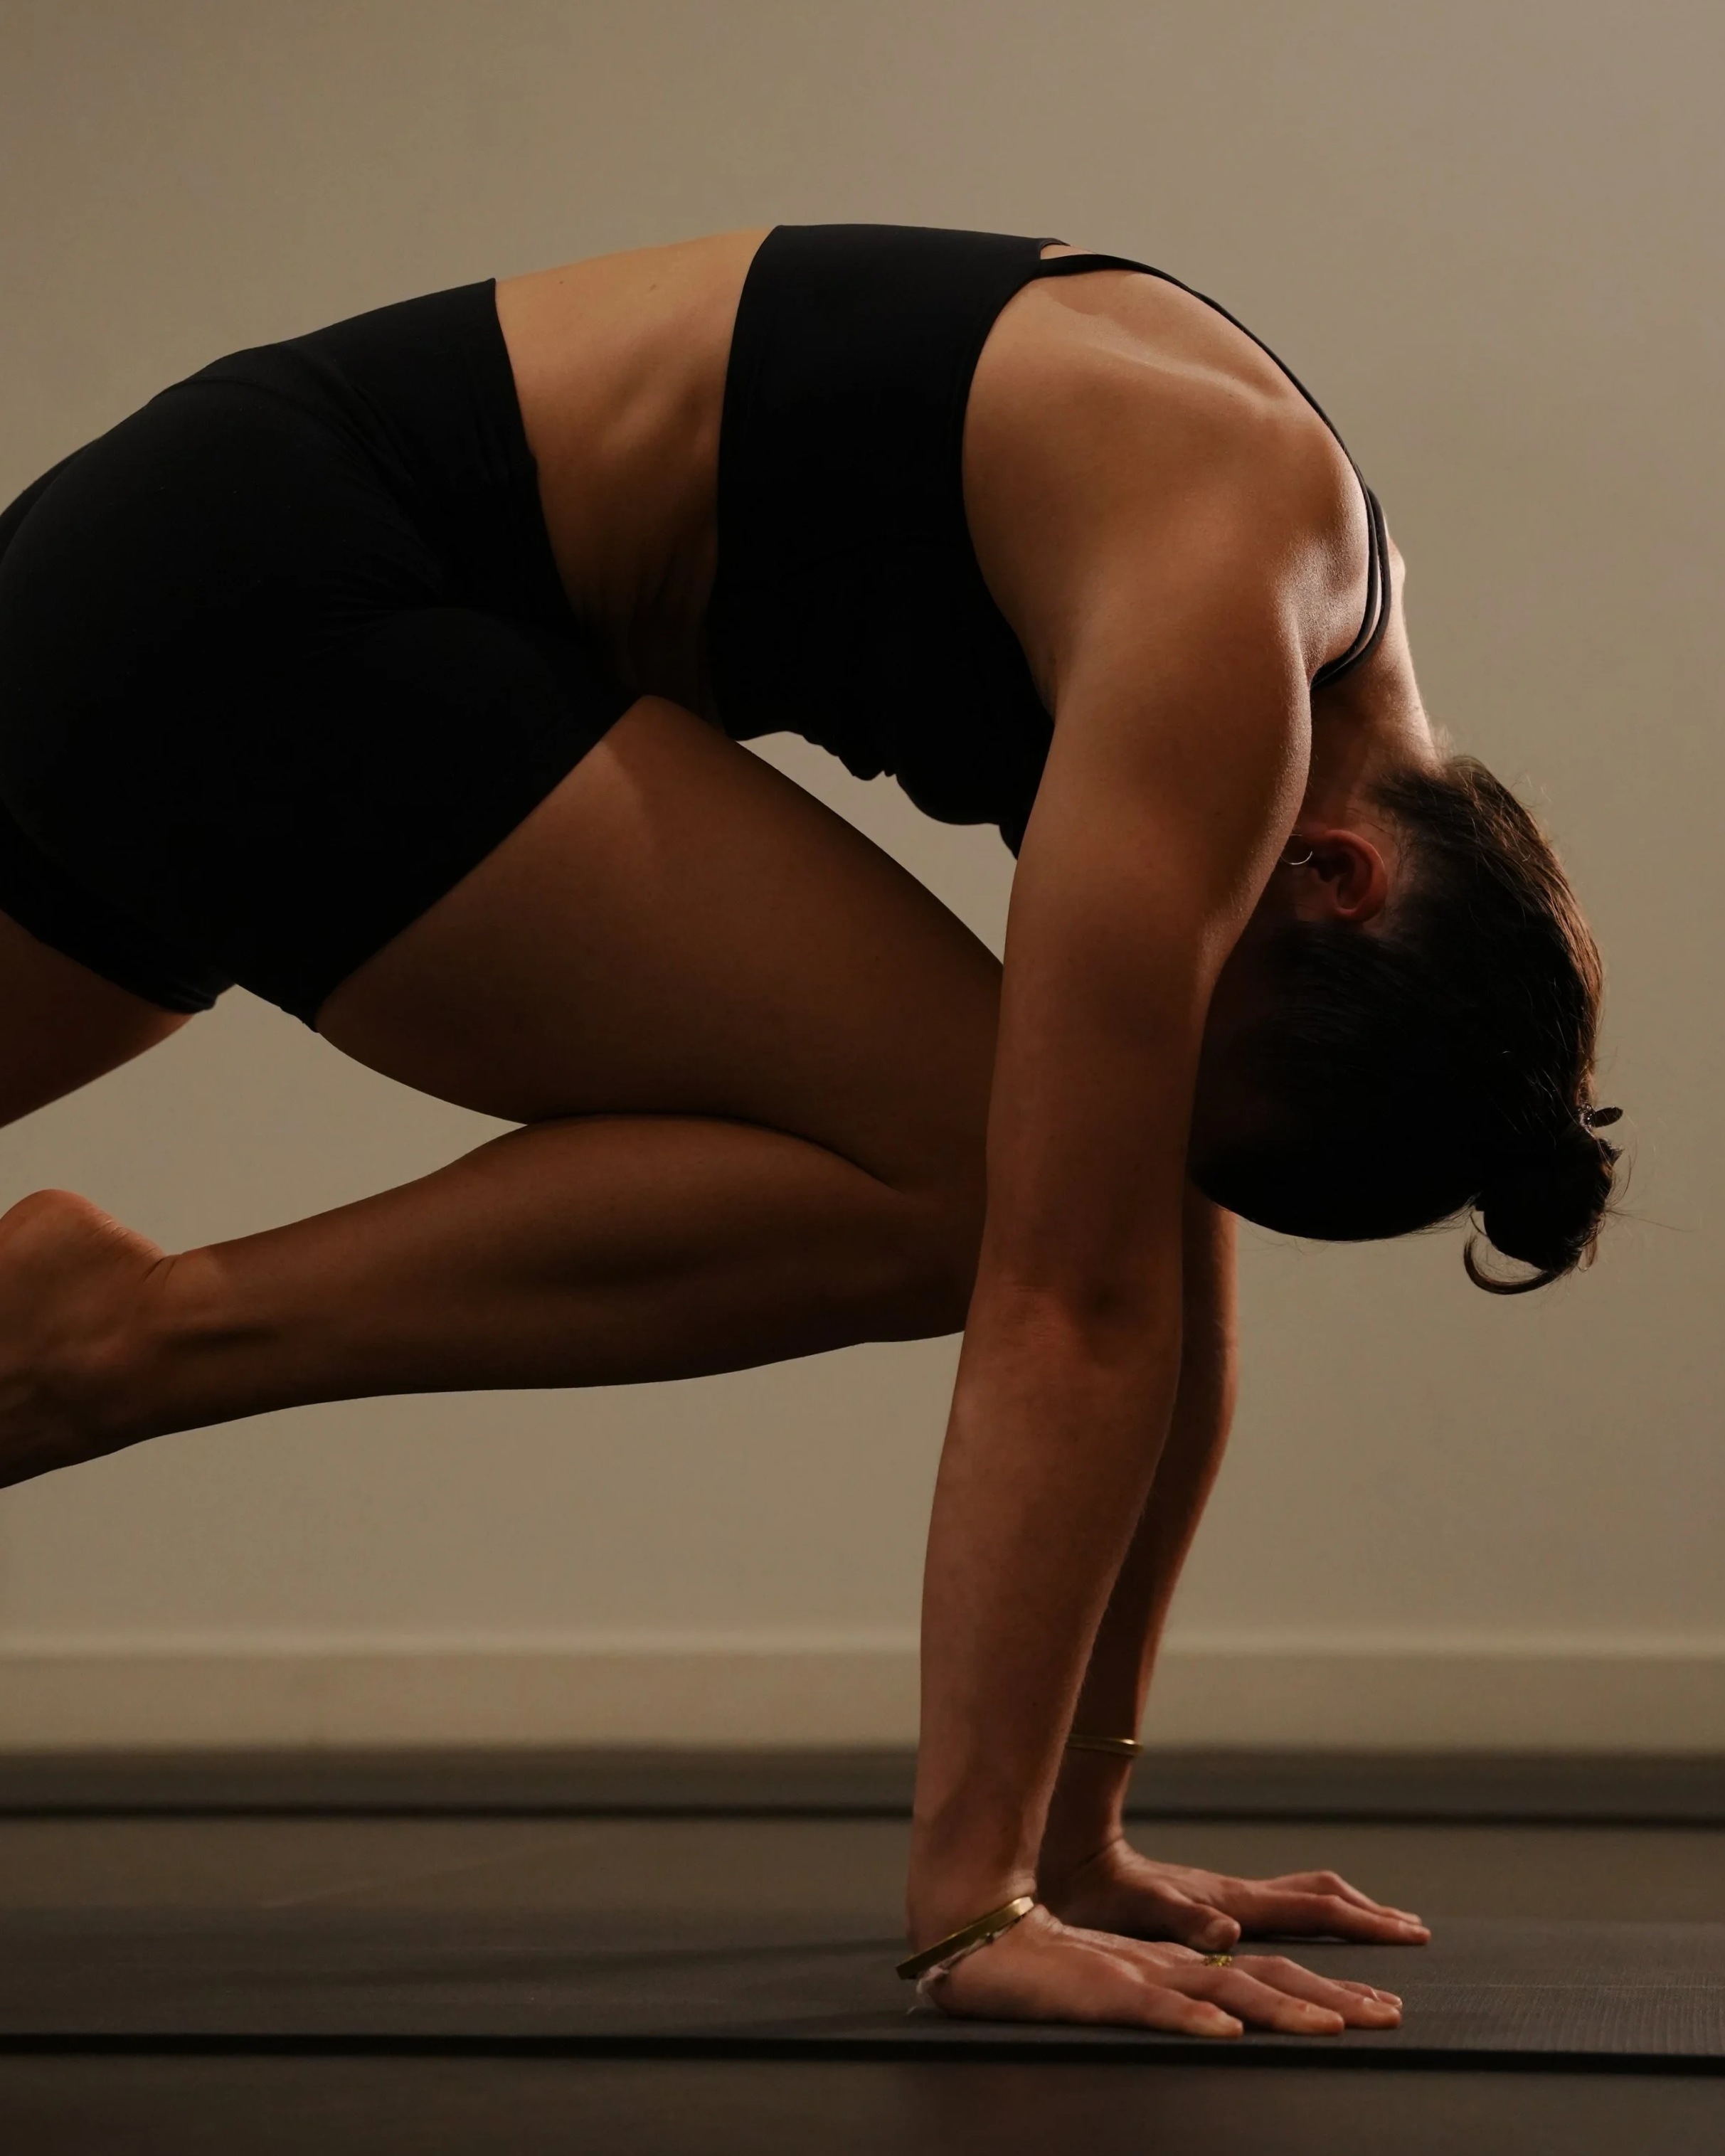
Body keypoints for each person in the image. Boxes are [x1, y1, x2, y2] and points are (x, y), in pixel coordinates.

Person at [0, 225, 1616, 2034]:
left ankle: (93, 1339)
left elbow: (1158, 1283)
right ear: (1336, 878)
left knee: (1041, 1176)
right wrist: (974, 1901)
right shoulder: (1233, 596)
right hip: (284, 602)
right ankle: (129, 1332)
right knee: (976, 1175)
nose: (1138, 1080)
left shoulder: (1298, 656)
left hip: (151, 578)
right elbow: (1072, 1298)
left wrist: (1079, 1836)